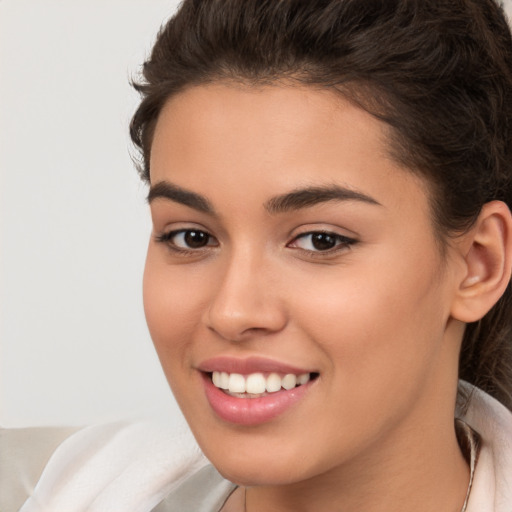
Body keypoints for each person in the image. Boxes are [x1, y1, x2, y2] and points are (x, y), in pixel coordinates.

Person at [7, 0, 512, 511]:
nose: (233, 311)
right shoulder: (56, 491)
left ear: (478, 265)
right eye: (192, 237)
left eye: (321, 240)